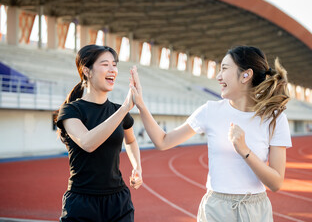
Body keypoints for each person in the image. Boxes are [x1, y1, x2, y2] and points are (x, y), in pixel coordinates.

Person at [129, 45, 292, 222]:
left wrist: (244, 150)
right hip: (216, 208)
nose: (218, 77)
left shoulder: (274, 118)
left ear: (246, 75)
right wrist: (141, 105)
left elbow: (276, 183)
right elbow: (163, 141)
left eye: (224, 68)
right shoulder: (210, 111)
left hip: (256, 210)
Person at [55, 44, 142, 222]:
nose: (113, 70)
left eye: (114, 64)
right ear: (87, 71)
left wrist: (137, 167)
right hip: (82, 202)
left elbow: (131, 141)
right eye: (105, 64)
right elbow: (88, 143)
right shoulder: (71, 111)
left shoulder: (118, 111)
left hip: (118, 201)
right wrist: (125, 108)